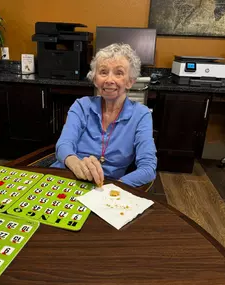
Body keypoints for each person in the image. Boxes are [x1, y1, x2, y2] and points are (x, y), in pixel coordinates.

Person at [51, 43, 157, 188]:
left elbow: (148, 168)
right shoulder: (81, 106)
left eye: (119, 73)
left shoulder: (141, 115)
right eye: (103, 72)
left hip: (107, 186)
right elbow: (64, 145)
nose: (109, 80)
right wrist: (75, 163)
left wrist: (115, 188)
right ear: (95, 79)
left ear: (130, 81)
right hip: (68, 176)